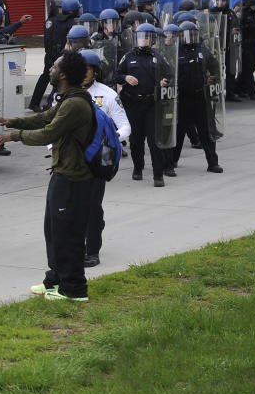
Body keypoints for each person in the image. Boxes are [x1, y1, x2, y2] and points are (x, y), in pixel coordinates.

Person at [0, 50, 95, 302]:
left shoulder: (75, 104)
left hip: (73, 178)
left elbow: (48, 133)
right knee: (54, 230)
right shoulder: (68, 99)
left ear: (64, 74)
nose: (50, 70)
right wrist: (12, 122)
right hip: (62, 173)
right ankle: (55, 280)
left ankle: (75, 289)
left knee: (67, 233)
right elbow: (44, 118)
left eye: (54, 67)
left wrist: (13, 136)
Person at [77, 50, 130, 268]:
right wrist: (52, 147)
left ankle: (92, 251)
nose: (82, 75)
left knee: (92, 206)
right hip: (72, 160)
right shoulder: (63, 94)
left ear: (95, 72)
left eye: (86, 71)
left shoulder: (107, 95)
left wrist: (110, 140)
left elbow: (125, 126)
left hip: (97, 161)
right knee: (72, 207)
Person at [115, 23, 172, 187]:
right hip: (133, 104)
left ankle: (158, 175)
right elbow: (117, 75)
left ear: (152, 39)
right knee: (136, 141)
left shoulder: (158, 57)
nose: (143, 40)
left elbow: (169, 74)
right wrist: (126, 78)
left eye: (146, 37)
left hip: (151, 104)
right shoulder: (128, 57)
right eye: (140, 36)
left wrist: (165, 81)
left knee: (154, 142)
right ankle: (138, 168)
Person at [170, 22, 223, 174]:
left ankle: (213, 163)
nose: (189, 38)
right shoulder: (176, 51)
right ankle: (172, 161)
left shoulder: (203, 51)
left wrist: (213, 77)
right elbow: (168, 71)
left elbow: (215, 66)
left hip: (201, 97)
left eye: (192, 34)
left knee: (206, 132)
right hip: (183, 99)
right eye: (186, 35)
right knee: (179, 132)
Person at [29, 0, 77, 112]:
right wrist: (50, 55)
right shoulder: (50, 21)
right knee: (46, 77)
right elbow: (48, 40)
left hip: (59, 54)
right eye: (59, 8)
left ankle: (48, 103)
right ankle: (35, 103)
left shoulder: (63, 20)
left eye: (62, 7)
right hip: (51, 54)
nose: (61, 10)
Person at [237, 0, 255, 100]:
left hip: (254, 46)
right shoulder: (243, 14)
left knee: (252, 67)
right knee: (248, 68)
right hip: (245, 46)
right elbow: (238, 28)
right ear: (254, 0)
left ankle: (238, 87)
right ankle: (253, 92)